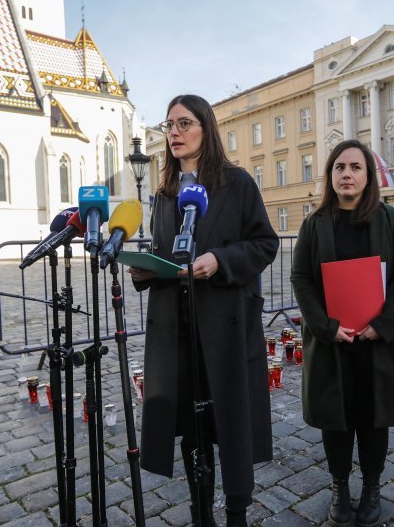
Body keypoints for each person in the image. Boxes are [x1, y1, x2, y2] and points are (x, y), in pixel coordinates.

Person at [128, 94, 278, 526]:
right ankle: (201, 513)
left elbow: (265, 243)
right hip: (178, 330)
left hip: (226, 326)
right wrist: (145, 271)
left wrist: (221, 261)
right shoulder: (165, 192)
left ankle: (235, 514)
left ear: (205, 129)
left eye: (183, 123)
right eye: (168, 125)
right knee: (191, 428)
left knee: (228, 424)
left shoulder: (238, 183)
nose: (173, 132)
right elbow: (166, 254)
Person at [291, 140, 394, 527]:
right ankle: (340, 487)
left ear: (368, 175)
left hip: (376, 341)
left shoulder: (388, 219)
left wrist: (382, 325)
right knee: (337, 421)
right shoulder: (315, 223)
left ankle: (372, 487)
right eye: (340, 167)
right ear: (331, 176)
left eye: (356, 167)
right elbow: (301, 278)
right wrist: (325, 327)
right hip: (334, 343)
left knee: (372, 418)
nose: (347, 174)